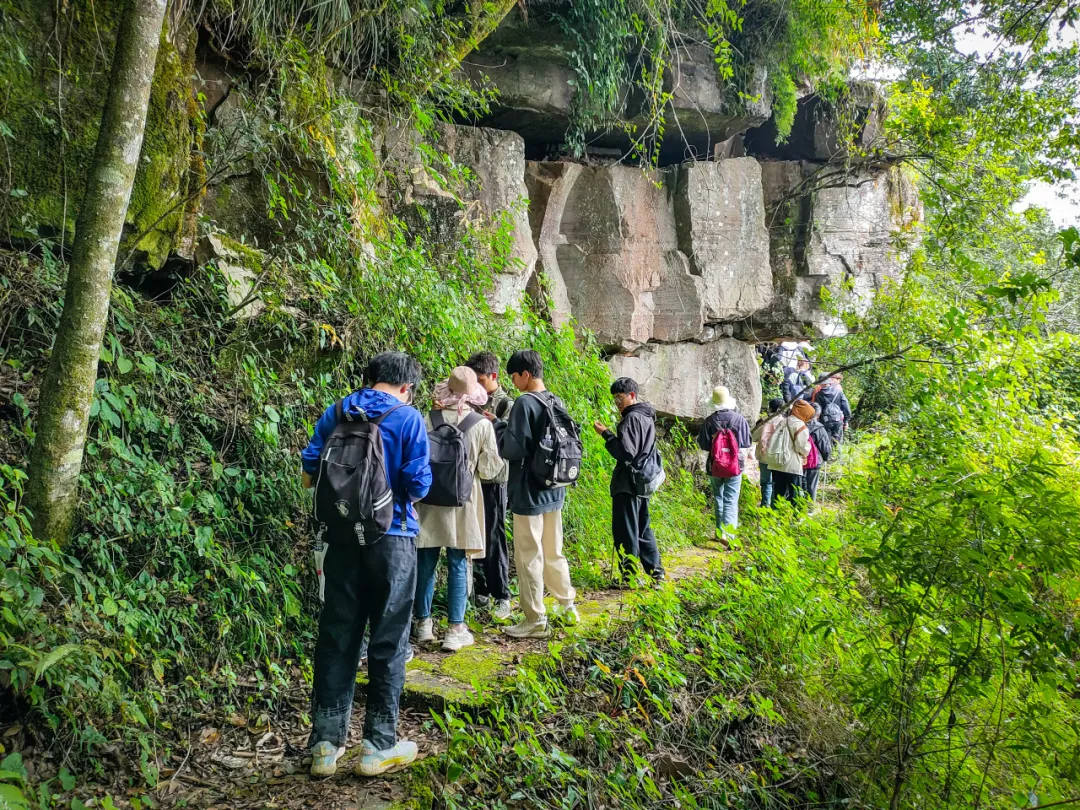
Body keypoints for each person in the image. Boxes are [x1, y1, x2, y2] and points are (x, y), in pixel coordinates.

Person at [300, 352, 431, 778]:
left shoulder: (337, 410)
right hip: (392, 538)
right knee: (389, 639)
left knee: (338, 633)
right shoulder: (408, 417)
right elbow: (416, 484)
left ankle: (324, 744)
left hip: (341, 539)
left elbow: (309, 472)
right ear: (407, 386)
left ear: (369, 378)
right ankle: (378, 745)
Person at [414, 367, 503, 652]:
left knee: (425, 562)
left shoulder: (428, 418)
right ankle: (455, 629)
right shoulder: (481, 424)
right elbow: (489, 470)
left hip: (428, 501)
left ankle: (423, 624)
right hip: (464, 503)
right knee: (457, 562)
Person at [493, 350, 578, 639]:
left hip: (529, 490)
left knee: (529, 554)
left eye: (514, 377)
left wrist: (498, 426)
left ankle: (535, 619)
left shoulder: (524, 403)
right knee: (554, 550)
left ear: (525, 374)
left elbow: (511, 449)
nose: (513, 382)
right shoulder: (556, 400)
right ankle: (568, 606)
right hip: (555, 487)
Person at [592, 377, 665, 584]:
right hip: (641, 482)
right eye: (614, 398)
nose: (617, 403)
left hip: (628, 483)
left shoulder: (631, 418)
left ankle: (629, 577)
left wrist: (606, 434)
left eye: (619, 398)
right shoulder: (646, 416)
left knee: (626, 531)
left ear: (632, 396)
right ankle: (656, 574)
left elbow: (626, 452)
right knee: (642, 528)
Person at [464, 351, 514, 622]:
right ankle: (481, 591)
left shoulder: (507, 404)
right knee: (475, 535)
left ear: (493, 377)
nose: (476, 385)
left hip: (495, 479)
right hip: (472, 479)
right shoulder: (468, 401)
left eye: (480, 380)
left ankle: (502, 594)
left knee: (493, 535)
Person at [696, 386, 752, 544]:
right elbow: (746, 442)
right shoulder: (739, 419)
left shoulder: (709, 421)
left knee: (719, 497)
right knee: (731, 499)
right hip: (735, 466)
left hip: (715, 465)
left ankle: (719, 531)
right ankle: (728, 534)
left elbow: (704, 445)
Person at [768, 399, 813, 505]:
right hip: (791, 465)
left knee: (778, 493)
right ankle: (793, 518)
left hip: (777, 463)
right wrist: (808, 447)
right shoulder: (800, 425)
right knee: (795, 494)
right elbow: (801, 446)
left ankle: (775, 516)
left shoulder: (783, 421)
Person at [751, 398, 785, 507]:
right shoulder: (784, 422)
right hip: (778, 456)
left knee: (766, 482)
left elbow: (753, 436)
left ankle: (765, 505)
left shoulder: (763, 421)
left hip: (763, 455)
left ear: (770, 407)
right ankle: (775, 506)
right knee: (776, 482)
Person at [803, 402, 833, 501]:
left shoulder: (800, 425)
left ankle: (798, 507)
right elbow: (825, 446)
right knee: (812, 485)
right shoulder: (819, 428)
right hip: (815, 461)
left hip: (800, 459)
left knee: (800, 484)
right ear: (818, 415)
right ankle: (810, 508)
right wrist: (826, 457)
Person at [812, 373, 852, 446]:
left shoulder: (818, 395)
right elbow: (846, 408)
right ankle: (838, 456)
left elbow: (817, 409)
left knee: (827, 441)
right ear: (829, 382)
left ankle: (829, 456)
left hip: (825, 421)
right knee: (838, 442)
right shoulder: (839, 392)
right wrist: (846, 421)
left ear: (821, 383)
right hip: (838, 420)